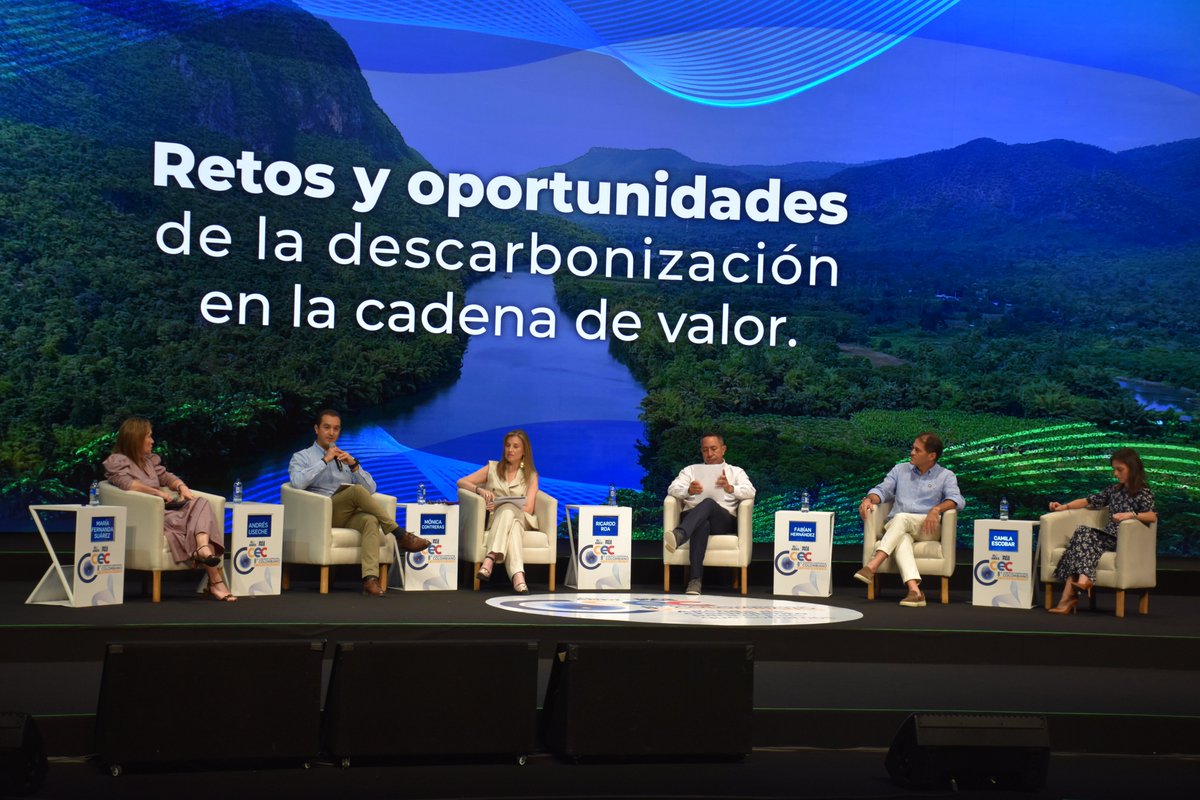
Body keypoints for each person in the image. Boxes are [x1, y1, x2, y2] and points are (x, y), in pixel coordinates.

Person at [288, 409, 429, 597]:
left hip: (345, 514)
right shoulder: (302, 456)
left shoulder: (343, 458)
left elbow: (370, 490)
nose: (331, 433)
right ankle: (400, 534)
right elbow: (297, 482)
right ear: (316, 429)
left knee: (370, 519)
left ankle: (370, 580)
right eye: (326, 428)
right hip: (319, 516)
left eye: (336, 429)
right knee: (355, 491)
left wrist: (354, 465)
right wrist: (325, 460)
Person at [103, 416, 236, 602]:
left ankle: (203, 548)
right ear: (136, 438)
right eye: (148, 436)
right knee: (195, 522)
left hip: (169, 510)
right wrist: (157, 493)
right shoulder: (117, 461)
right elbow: (127, 484)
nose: (152, 441)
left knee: (201, 502)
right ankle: (215, 581)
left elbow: (166, 477)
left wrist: (181, 487)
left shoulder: (149, 460)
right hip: (150, 517)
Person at [855, 433, 965, 607]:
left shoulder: (946, 475)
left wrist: (936, 509)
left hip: (927, 528)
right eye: (913, 448)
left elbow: (957, 500)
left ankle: (873, 565)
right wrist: (869, 499)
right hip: (899, 525)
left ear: (931, 455)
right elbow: (882, 490)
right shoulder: (900, 470)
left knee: (901, 518)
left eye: (917, 449)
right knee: (902, 537)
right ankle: (915, 591)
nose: (911, 452)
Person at [1046, 448, 1157, 615]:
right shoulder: (1114, 490)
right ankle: (1082, 582)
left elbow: (1152, 516)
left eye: (1120, 469)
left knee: (1081, 540)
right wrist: (1064, 507)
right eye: (1114, 469)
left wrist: (1131, 515)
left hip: (1125, 539)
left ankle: (1069, 597)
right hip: (1108, 536)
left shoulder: (1143, 491)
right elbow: (1089, 500)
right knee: (1082, 535)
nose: (1116, 473)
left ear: (1132, 468)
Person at [664, 433, 756, 596]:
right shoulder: (690, 470)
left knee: (708, 503)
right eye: (705, 450)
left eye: (713, 449)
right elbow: (672, 489)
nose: (710, 454)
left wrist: (730, 488)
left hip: (722, 520)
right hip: (693, 517)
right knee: (702, 523)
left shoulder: (735, 472)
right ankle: (695, 582)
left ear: (723, 449)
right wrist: (688, 490)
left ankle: (680, 534)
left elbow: (751, 491)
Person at [456, 430, 541, 594]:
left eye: (515, 446)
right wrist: (480, 491)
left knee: (509, 511)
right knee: (512, 525)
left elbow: (529, 508)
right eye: (508, 446)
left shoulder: (531, 475)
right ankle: (518, 577)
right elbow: (462, 482)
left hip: (522, 517)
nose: (510, 450)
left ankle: (489, 559)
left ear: (524, 451)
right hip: (496, 520)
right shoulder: (493, 468)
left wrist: (506, 504)